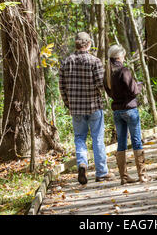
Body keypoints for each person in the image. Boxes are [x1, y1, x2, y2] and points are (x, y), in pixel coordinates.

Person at [59, 32, 114, 185]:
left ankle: (82, 164)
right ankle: (101, 172)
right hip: (93, 106)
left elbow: (61, 87)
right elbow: (100, 84)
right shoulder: (94, 61)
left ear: (76, 44)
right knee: (97, 138)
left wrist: (68, 103)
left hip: (76, 108)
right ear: (88, 44)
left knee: (79, 138)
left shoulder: (66, 62)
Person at [104, 44, 150, 185]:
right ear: (119, 56)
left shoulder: (107, 73)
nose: (124, 58)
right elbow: (133, 91)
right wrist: (140, 85)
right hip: (130, 109)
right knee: (136, 140)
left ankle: (124, 177)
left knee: (121, 143)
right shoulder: (124, 70)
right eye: (123, 55)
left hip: (117, 111)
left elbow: (110, 93)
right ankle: (142, 175)